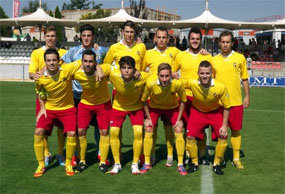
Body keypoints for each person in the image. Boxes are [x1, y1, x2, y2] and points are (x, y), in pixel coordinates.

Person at [62, 24, 108, 165]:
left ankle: (100, 153)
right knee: (78, 128)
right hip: (77, 96)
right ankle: (76, 154)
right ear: (80, 36)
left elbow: (115, 57)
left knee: (98, 127)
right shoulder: (73, 51)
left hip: (96, 97)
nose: (86, 38)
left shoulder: (101, 50)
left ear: (93, 37)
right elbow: (63, 65)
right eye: (84, 35)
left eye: (89, 35)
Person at [33, 48, 82, 177]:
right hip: (49, 109)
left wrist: (98, 68)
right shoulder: (40, 78)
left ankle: (68, 164)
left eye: (54, 60)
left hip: (67, 109)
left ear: (59, 61)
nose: (52, 63)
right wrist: (42, 108)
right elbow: (40, 92)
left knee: (72, 133)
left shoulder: (67, 70)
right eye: (49, 61)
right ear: (45, 62)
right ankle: (41, 165)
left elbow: (84, 61)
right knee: (38, 132)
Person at [173, 27, 212, 164]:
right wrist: (174, 74)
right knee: (184, 128)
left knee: (200, 129)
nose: (195, 41)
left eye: (197, 39)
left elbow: (213, 74)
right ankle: (187, 154)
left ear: (201, 41)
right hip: (184, 98)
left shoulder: (206, 56)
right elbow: (173, 71)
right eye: (192, 39)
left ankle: (202, 155)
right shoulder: (181, 55)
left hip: (201, 98)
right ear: (188, 40)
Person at [142, 26, 181, 167]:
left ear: (168, 39)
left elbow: (190, 57)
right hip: (153, 99)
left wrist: (203, 52)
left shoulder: (175, 52)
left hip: (170, 98)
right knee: (152, 128)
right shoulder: (148, 54)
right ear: (155, 38)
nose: (161, 40)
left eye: (164, 37)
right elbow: (140, 71)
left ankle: (170, 155)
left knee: (169, 129)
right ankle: (151, 155)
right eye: (159, 37)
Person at [29, 26, 67, 167]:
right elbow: (31, 73)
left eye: (53, 36)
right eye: (48, 36)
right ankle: (46, 154)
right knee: (42, 127)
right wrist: (38, 73)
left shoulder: (63, 52)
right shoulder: (36, 53)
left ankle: (60, 153)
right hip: (43, 96)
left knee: (62, 128)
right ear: (44, 38)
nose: (50, 38)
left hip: (61, 97)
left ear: (56, 38)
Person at [140, 63, 187, 176]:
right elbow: (144, 100)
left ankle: (180, 164)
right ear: (158, 75)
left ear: (171, 75)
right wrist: (148, 117)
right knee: (148, 128)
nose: (165, 79)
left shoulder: (177, 84)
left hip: (172, 108)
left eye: (167, 76)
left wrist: (179, 119)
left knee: (179, 129)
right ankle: (147, 162)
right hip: (155, 108)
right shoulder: (151, 83)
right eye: (162, 76)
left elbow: (183, 101)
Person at [184, 60, 230, 175]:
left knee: (223, 136)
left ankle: (217, 163)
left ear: (212, 73)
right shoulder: (192, 83)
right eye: (202, 73)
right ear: (198, 73)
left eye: (207, 73)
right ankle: (194, 162)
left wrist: (224, 125)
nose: (205, 76)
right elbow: (176, 83)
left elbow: (227, 106)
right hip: (197, 112)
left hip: (214, 113)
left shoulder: (220, 87)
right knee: (189, 137)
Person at [212, 30, 250, 169]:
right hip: (219, 104)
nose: (225, 44)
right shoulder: (213, 60)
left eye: (228, 42)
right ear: (219, 43)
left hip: (235, 102)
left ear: (232, 43)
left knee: (236, 130)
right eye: (223, 42)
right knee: (219, 134)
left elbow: (245, 79)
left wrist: (247, 96)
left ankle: (236, 158)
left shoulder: (240, 58)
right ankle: (220, 158)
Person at [73, 49, 111, 174]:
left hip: (103, 104)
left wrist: (99, 68)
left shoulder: (105, 69)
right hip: (85, 104)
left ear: (95, 62)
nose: (88, 64)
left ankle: (103, 162)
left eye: (91, 61)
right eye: (85, 61)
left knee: (104, 131)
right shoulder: (77, 72)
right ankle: (82, 161)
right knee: (81, 131)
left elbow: (118, 70)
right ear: (81, 62)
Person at [108, 56, 149, 174]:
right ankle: (117, 163)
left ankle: (135, 163)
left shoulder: (142, 77)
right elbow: (102, 67)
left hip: (136, 107)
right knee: (114, 132)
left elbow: (155, 75)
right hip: (118, 107)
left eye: (129, 68)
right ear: (119, 69)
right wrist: (99, 69)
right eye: (124, 68)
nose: (126, 70)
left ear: (134, 70)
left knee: (138, 132)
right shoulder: (114, 75)